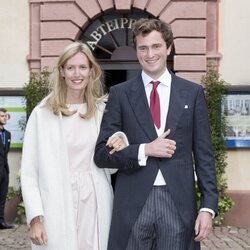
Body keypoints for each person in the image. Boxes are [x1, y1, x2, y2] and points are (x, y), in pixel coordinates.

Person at [94, 18, 218, 250]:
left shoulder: (192, 94)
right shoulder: (120, 94)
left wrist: (207, 207)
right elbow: (101, 154)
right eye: (143, 48)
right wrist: (145, 149)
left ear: (168, 48)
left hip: (178, 203)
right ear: (137, 51)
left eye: (156, 46)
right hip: (132, 203)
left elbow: (205, 157)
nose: (150, 54)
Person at [21, 42, 127, 250]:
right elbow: (29, 172)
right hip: (57, 200)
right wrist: (35, 218)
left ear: (91, 71)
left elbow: (112, 166)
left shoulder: (101, 111)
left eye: (82, 67)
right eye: (70, 68)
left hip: (96, 200)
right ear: (62, 71)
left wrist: (120, 142)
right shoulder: (43, 113)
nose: (76, 74)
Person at [0, 108, 13, 230]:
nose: (5, 118)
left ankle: (1, 221)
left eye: (5, 116)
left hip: (4, 170)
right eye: (2, 116)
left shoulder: (8, 134)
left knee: (2, 196)